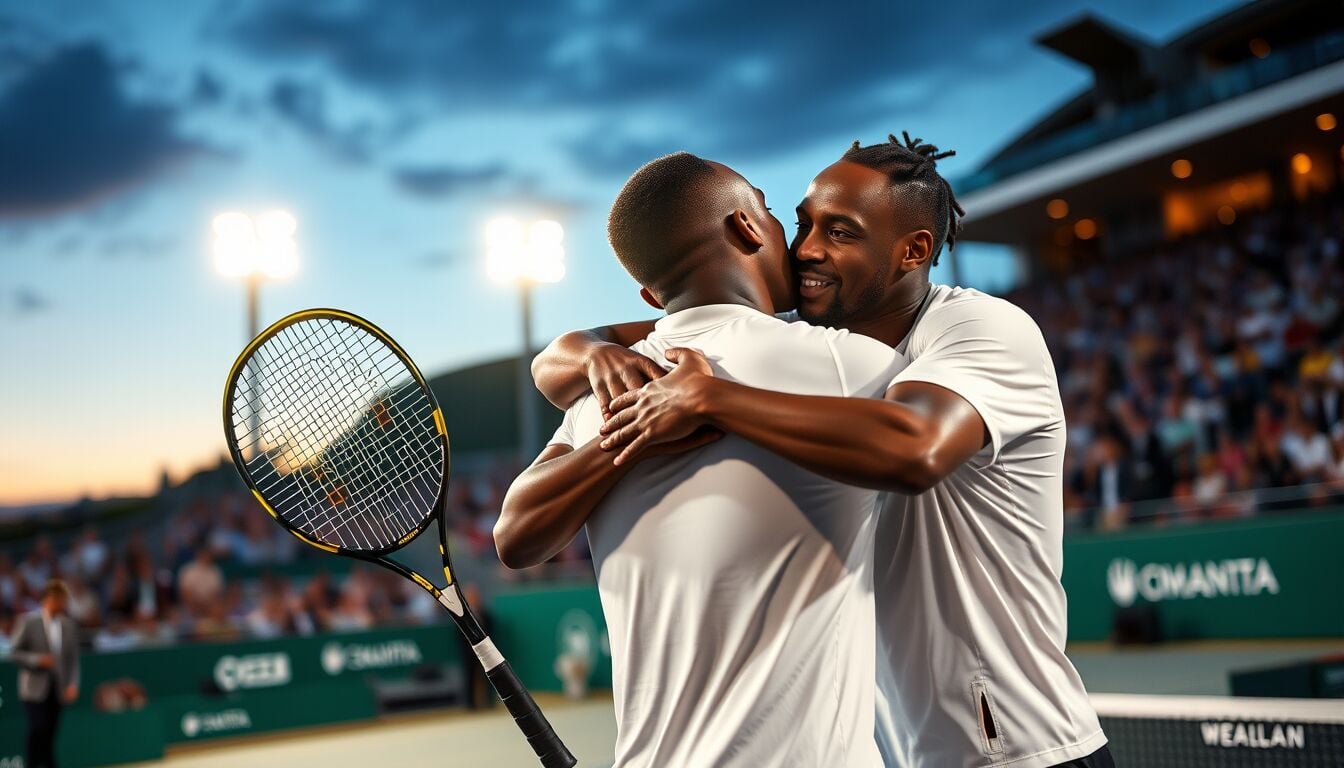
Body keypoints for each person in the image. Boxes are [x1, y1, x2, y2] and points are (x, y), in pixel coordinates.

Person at [532, 134, 1111, 768]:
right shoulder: (814, 349)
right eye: (803, 222)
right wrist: (593, 352)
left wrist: (709, 400)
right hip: (906, 752)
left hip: (1018, 751)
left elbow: (913, 450)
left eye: (841, 233)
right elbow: (585, 349)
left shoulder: (980, 328)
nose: (806, 248)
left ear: (915, 249)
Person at [497, 151, 901, 767]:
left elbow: (515, 534)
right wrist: (645, 427)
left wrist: (622, 431)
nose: (794, 241)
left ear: (649, 292)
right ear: (744, 227)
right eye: (770, 212)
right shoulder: (848, 364)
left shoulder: (607, 393)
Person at [9, 579, 81, 768]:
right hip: (33, 689)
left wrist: (72, 683)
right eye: (59, 599)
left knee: (50, 733)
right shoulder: (28, 622)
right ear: (49, 599)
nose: (62, 604)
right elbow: (14, 652)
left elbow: (73, 659)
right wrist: (38, 660)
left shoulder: (68, 625)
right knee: (36, 729)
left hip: (57, 688)